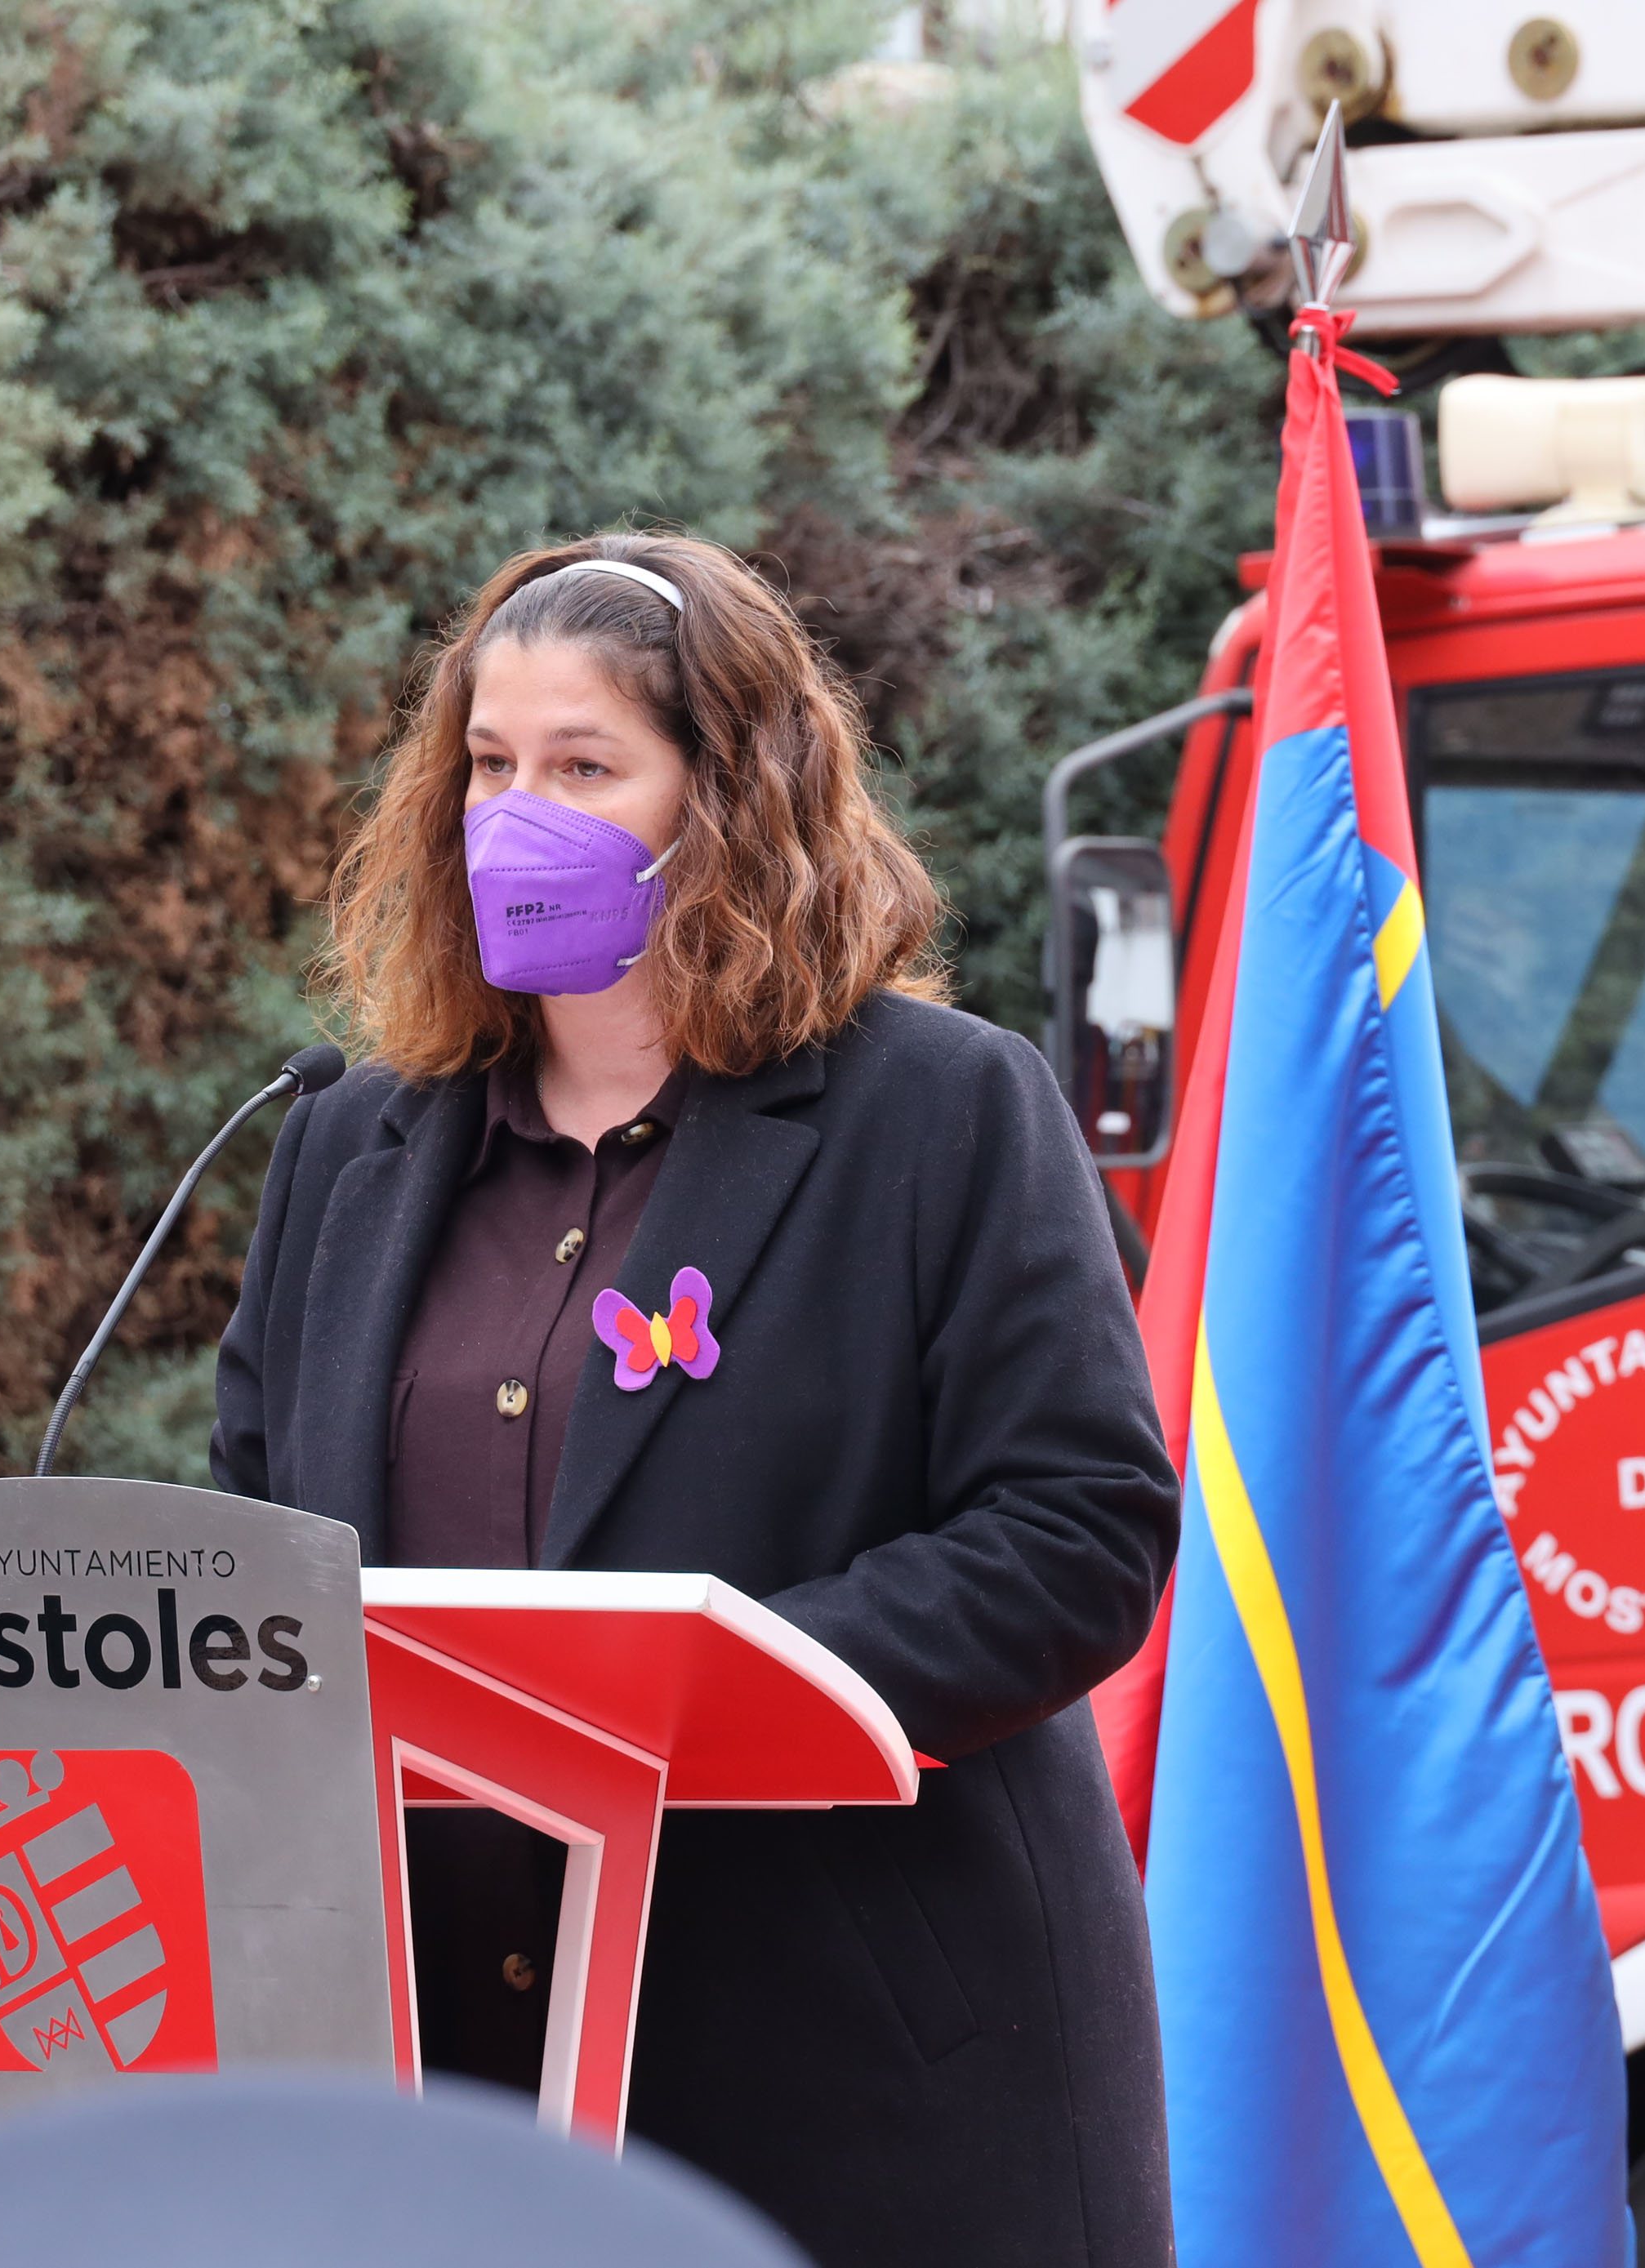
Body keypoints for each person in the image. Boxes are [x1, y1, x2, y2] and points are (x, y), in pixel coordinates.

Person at [212, 532, 1179, 2268]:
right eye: (488, 766)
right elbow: (262, 1543)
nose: (516, 816)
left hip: (856, 2065)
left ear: (727, 798)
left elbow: (1076, 1530)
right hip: (445, 2077)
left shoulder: (941, 1111)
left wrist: (699, 1699)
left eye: (584, 767)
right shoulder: (349, 1145)